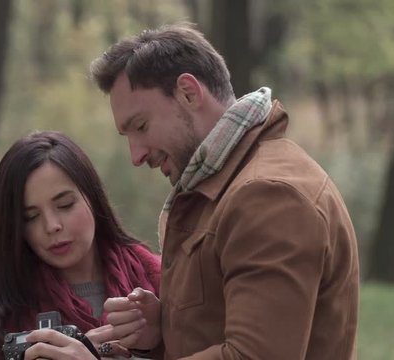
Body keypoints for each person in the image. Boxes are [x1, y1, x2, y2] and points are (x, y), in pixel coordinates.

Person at [89, 22, 360, 359]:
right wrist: (164, 330)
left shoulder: (267, 196)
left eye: (141, 126)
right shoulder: (223, 187)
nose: (136, 155)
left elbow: (253, 355)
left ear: (189, 92)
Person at [0, 131, 161, 359]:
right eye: (30, 217)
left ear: (93, 196)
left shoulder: (157, 279)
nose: (52, 226)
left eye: (65, 205)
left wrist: (160, 340)